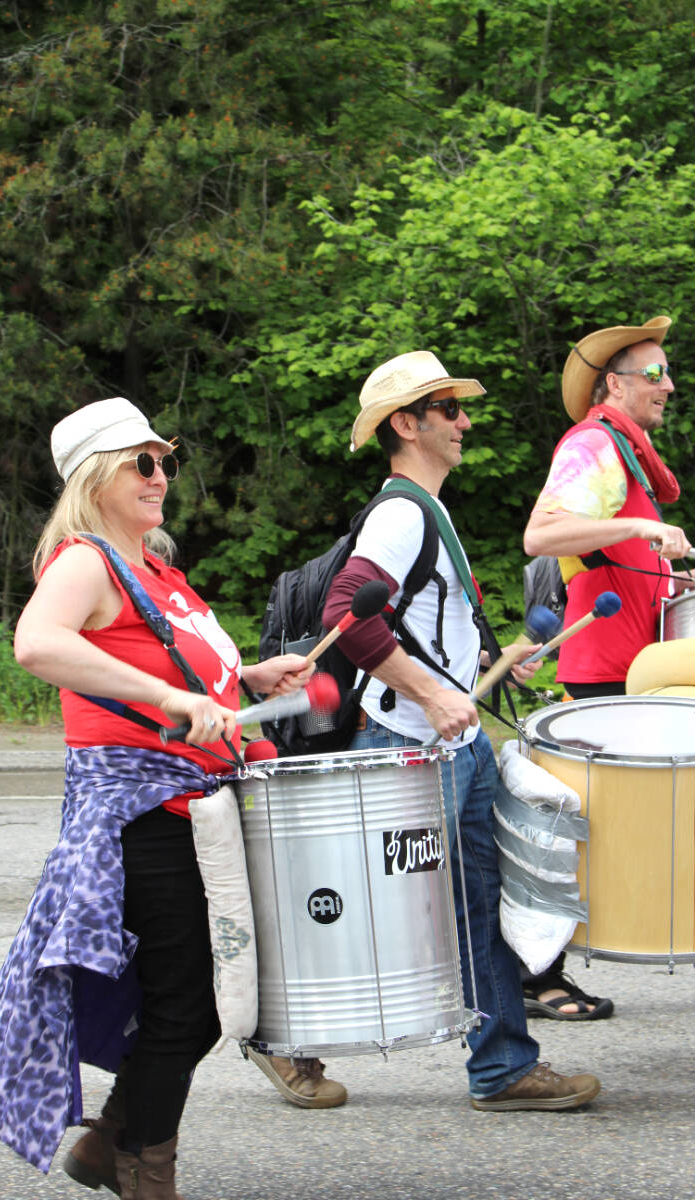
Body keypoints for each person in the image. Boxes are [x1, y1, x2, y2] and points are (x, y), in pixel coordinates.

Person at [0, 397, 317, 1200]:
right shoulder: (87, 558)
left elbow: (190, 678)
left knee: (194, 1004)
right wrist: (170, 700)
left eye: (165, 461)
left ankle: (112, 1143)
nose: (160, 476)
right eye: (140, 463)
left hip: (194, 806)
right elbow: (38, 643)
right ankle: (143, 1173)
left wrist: (245, 681)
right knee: (188, 1005)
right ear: (95, 477)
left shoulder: (159, 569)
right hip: (137, 814)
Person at [320, 350, 601, 1111]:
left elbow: (421, 625)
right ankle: (279, 1039)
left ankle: (503, 1066)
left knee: (479, 901)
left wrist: (487, 660)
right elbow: (348, 612)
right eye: (449, 409)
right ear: (406, 425)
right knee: (369, 908)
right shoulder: (401, 511)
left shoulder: (430, 512)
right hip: (410, 747)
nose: (465, 421)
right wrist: (430, 696)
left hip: (454, 745)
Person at [522, 316, 692, 1020]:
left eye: (669, 372)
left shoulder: (629, 453)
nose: (670, 384)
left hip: (635, 665)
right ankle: (540, 975)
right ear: (612, 384)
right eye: (654, 373)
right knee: (580, 825)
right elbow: (543, 533)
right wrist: (642, 528)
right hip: (607, 667)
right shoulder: (595, 443)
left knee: (593, 823)